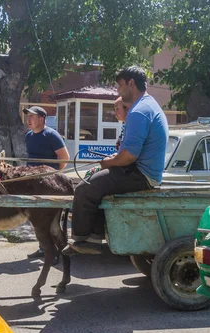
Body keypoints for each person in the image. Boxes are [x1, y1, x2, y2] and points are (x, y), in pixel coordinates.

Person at [64, 66, 169, 255]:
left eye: (120, 85)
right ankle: (94, 238)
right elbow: (128, 152)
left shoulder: (139, 112)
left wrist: (108, 162)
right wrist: (111, 159)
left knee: (84, 188)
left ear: (131, 83)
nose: (118, 90)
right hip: (139, 171)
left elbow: (129, 156)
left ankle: (81, 239)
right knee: (96, 181)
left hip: (140, 175)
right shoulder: (148, 105)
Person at [23, 105, 71, 259]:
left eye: (32, 116)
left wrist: (54, 176)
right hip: (33, 185)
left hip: (49, 186)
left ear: (41, 119)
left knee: (51, 222)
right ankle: (43, 248)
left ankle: (57, 252)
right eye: (27, 116)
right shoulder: (29, 136)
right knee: (37, 219)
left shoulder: (51, 135)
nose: (28, 120)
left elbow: (64, 158)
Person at [83, 96, 130, 181]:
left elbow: (129, 153)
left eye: (117, 109)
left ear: (127, 109)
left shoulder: (132, 127)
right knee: (89, 173)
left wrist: (111, 160)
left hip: (126, 169)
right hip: (119, 163)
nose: (114, 113)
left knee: (91, 175)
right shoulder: (125, 126)